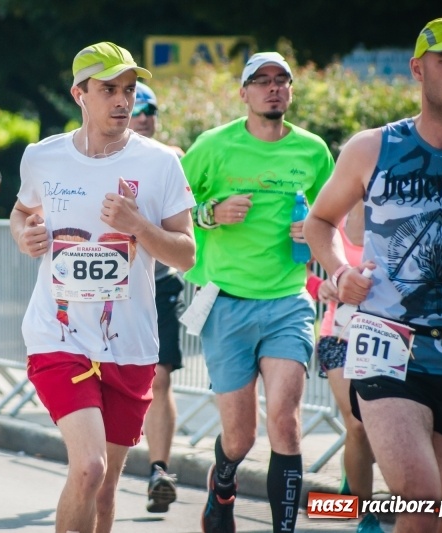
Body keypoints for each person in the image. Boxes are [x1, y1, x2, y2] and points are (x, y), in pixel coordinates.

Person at [10, 42, 195, 533]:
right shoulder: (43, 157)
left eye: (129, 90)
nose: (121, 101)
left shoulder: (160, 164)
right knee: (88, 468)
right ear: (79, 94)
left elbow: (186, 252)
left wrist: (139, 226)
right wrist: (25, 234)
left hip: (129, 344)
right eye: (108, 89)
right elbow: (22, 211)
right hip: (59, 335)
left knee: (108, 488)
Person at [304, 17, 442, 532]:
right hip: (388, 346)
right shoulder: (372, 148)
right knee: (420, 497)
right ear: (418, 70)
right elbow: (319, 221)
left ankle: (350, 509)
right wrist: (340, 269)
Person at [181, 52, 335, 533]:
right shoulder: (214, 146)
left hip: (288, 301)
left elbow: (332, 217)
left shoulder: (313, 151)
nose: (273, 88)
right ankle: (222, 486)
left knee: (285, 424)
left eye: (281, 80)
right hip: (226, 302)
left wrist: (311, 230)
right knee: (241, 436)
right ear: (243, 92)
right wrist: (211, 213)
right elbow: (170, 206)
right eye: (261, 81)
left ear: (290, 91)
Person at [306, 200, 383, 533]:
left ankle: (352, 477)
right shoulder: (331, 219)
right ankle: (364, 516)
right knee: (357, 425)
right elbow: (298, 266)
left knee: (381, 432)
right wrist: (319, 286)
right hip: (338, 336)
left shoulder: (393, 216)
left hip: (386, 341)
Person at [128, 81, 185, 514]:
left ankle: (158, 470)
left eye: (152, 107)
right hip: (108, 290)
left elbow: (189, 227)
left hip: (160, 284)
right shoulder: (97, 158)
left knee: (159, 377)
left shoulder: (171, 159)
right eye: (138, 106)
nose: (145, 115)